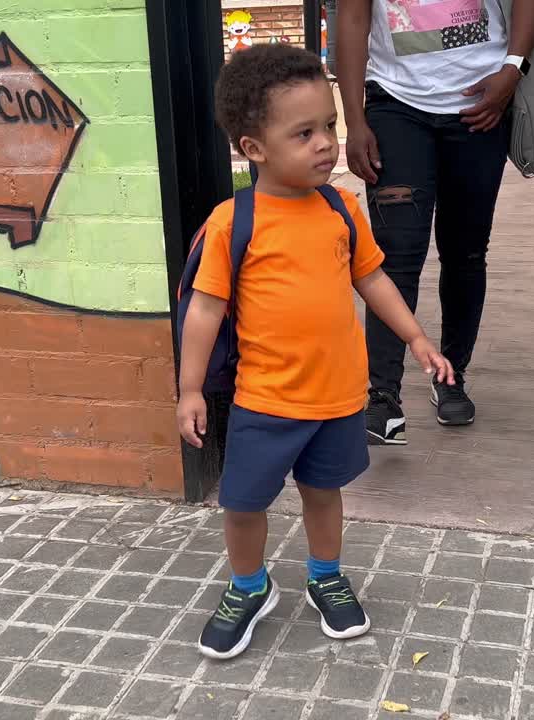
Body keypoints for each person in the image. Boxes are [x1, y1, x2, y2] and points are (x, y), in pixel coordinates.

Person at [177, 44, 455, 660]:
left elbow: (373, 279)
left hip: (337, 398)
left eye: (329, 125)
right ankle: (249, 586)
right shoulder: (234, 222)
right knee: (243, 503)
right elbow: (205, 311)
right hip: (265, 400)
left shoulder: (341, 208)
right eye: (304, 133)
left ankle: (325, 576)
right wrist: (190, 388)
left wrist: (416, 337)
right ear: (254, 148)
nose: (326, 143)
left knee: (324, 493)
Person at [337, 0, 534, 446]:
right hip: (395, 103)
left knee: (465, 251)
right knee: (394, 255)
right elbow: (353, 17)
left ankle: (451, 376)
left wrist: (513, 69)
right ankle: (382, 397)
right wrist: (354, 120)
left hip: (483, 101)